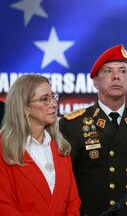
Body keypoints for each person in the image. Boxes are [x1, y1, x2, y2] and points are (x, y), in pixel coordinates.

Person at [59, 45, 127, 216]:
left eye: (122, 71)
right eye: (108, 71)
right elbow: (64, 182)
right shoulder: (73, 124)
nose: (116, 77)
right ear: (95, 81)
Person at [0, 74, 80, 215]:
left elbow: (72, 201)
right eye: (45, 99)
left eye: (53, 97)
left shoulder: (61, 147)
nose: (54, 104)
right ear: (25, 108)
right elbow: (4, 205)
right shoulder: (4, 149)